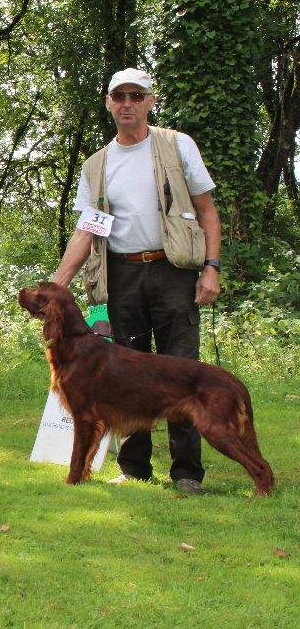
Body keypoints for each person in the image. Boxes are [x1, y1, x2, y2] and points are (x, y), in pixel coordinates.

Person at [51, 68, 222, 493]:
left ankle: (186, 473)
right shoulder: (97, 165)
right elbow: (86, 230)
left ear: (150, 101)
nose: (127, 103)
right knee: (123, 375)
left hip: (173, 271)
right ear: (109, 103)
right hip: (121, 274)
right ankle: (134, 469)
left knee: (181, 368)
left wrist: (212, 267)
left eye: (136, 96)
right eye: (119, 96)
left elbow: (207, 211)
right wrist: (57, 284)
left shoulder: (177, 145)